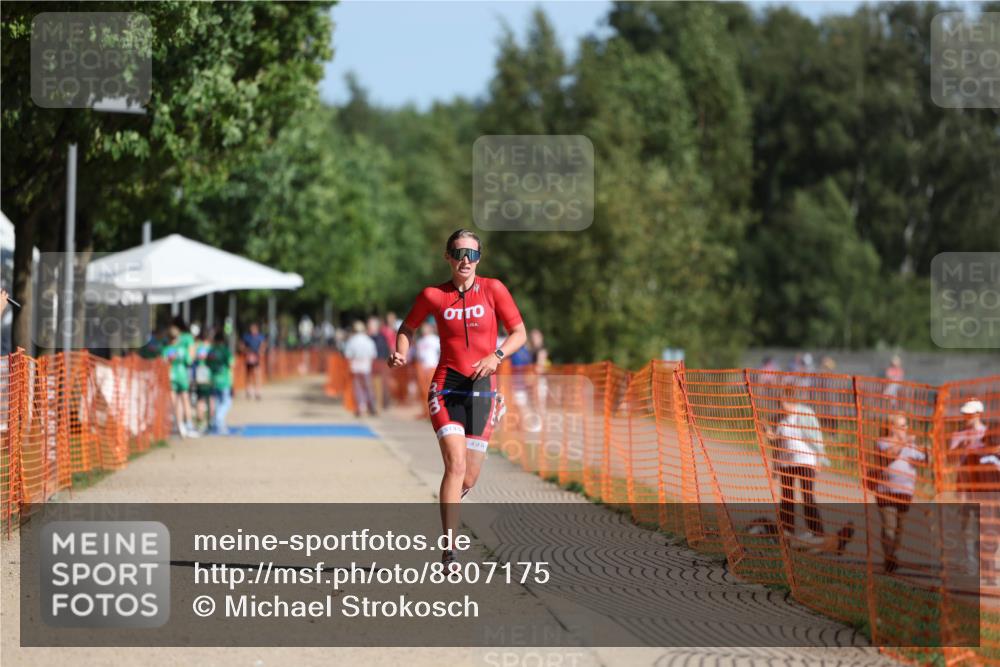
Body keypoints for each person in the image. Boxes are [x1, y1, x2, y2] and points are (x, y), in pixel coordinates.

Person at [388, 229, 526, 572]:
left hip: (483, 390)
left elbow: (519, 333)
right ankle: (449, 551)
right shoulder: (434, 295)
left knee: (468, 479)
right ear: (447, 256)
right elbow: (407, 328)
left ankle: (450, 501)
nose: (466, 260)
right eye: (459, 253)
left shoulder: (493, 290)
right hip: (447, 387)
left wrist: (496, 355)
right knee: (456, 464)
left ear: (480, 258)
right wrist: (400, 353)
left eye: (473, 254)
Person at [765, 384, 828, 543]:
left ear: (790, 400)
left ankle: (817, 532)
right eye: (779, 402)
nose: (780, 405)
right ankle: (787, 530)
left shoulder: (806, 414)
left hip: (806, 461)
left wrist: (819, 458)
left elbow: (817, 437)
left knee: (807, 496)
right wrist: (775, 466)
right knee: (787, 497)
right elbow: (776, 442)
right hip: (787, 463)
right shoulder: (778, 418)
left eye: (783, 402)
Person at [874, 413, 926, 573]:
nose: (905, 429)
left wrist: (929, 450)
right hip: (886, 492)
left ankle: (893, 555)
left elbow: (924, 459)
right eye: (902, 426)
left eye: (906, 426)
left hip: (905, 493)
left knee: (899, 529)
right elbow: (890, 454)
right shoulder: (882, 442)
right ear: (892, 427)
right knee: (889, 527)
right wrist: (905, 442)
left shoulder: (911, 445)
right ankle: (889, 559)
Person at [950, 398, 991, 574]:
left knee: (987, 525)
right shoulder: (958, 435)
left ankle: (985, 560)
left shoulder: (989, 434)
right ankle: (971, 562)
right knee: (966, 525)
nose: (965, 417)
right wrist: (961, 449)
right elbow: (949, 458)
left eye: (969, 414)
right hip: (965, 486)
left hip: (986, 487)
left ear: (978, 414)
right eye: (964, 414)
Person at [162, 325, 198, 439]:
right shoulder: (182, 349)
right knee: (185, 400)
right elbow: (189, 361)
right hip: (182, 376)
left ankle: (179, 425)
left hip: (171, 377)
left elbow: (162, 363)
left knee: (174, 403)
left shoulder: (166, 350)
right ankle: (189, 425)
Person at [344, 320, 377, 417]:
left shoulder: (352, 341)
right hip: (366, 366)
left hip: (356, 367)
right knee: (368, 387)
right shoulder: (368, 340)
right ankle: (371, 406)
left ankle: (361, 407)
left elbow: (348, 355)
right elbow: (373, 354)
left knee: (358, 389)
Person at [207, 330, 234, 435]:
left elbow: (207, 364)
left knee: (218, 401)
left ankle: (216, 423)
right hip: (224, 380)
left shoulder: (211, 351)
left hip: (214, 379)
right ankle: (218, 419)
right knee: (227, 402)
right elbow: (231, 364)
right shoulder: (225, 351)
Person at [414, 322, 441, 417]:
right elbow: (418, 355)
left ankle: (434, 412)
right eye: (423, 328)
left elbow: (440, 353)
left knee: (432, 390)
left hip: (432, 367)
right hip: (422, 367)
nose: (424, 330)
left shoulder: (435, 339)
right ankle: (425, 412)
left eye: (426, 328)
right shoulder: (420, 341)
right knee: (423, 390)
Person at [192, 330, 215, 434]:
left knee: (200, 400)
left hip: (200, 375)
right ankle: (211, 423)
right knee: (211, 399)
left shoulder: (198, 347)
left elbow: (192, 360)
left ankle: (200, 423)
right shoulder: (212, 348)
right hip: (210, 375)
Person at [367, 316, 391, 410]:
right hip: (372, 364)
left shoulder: (380, 338)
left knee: (379, 386)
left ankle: (378, 405)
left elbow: (383, 351)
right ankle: (375, 405)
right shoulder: (370, 337)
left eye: (371, 325)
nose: (369, 327)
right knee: (373, 386)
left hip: (378, 364)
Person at [241, 323, 267, 400]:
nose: (253, 330)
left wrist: (261, 351)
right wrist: (246, 351)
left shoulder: (260, 337)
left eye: (254, 329)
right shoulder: (247, 337)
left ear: (257, 329)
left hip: (256, 357)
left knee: (257, 374)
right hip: (249, 357)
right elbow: (242, 345)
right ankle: (248, 391)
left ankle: (257, 392)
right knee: (248, 374)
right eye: (251, 329)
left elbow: (263, 345)